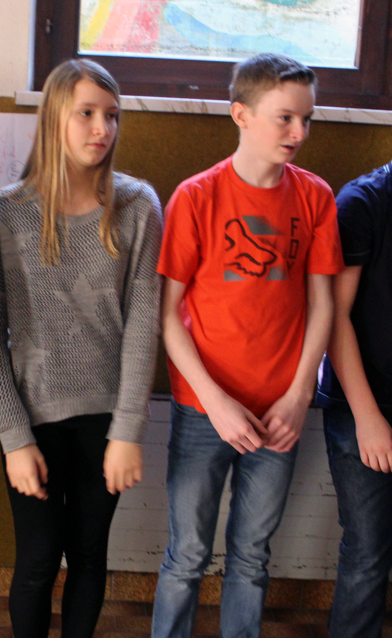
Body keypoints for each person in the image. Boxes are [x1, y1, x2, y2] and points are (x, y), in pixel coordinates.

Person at [150, 53, 343, 638]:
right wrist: (215, 402)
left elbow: (324, 305)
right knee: (187, 555)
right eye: (285, 118)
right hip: (202, 408)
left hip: (279, 411)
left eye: (307, 119)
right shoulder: (196, 197)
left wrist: (298, 396)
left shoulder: (315, 197)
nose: (299, 132)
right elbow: (168, 316)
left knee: (252, 558)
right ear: (241, 114)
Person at [0, 59, 161, 638]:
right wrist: (14, 438)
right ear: (55, 117)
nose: (102, 128)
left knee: (87, 555)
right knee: (36, 562)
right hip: (33, 421)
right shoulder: (7, 212)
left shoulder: (137, 206)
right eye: (86, 113)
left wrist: (128, 430)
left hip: (105, 420)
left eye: (112, 115)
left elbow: (144, 324)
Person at [315, 161, 392, 638]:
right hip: (363, 405)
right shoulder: (363, 201)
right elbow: (334, 316)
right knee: (367, 551)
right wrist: (369, 418)